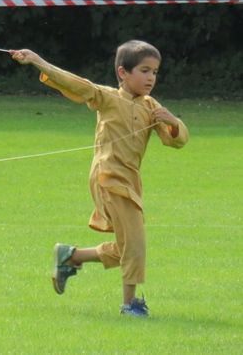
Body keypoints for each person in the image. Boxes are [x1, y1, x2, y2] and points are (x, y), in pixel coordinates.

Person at [10, 40, 189, 317]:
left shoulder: (151, 106)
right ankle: (130, 305)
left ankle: (72, 256)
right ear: (123, 73)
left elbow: (175, 141)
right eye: (144, 70)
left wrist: (173, 121)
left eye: (155, 72)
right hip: (108, 176)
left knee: (127, 247)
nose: (151, 77)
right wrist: (38, 61)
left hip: (130, 181)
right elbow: (75, 84)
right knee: (136, 243)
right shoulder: (106, 96)